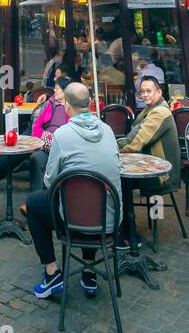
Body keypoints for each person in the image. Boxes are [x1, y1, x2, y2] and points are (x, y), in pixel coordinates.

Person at [27, 82, 122, 302]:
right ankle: (89, 271)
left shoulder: (62, 135)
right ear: (90, 103)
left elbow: (49, 181)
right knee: (90, 200)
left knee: (34, 203)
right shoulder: (108, 132)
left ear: (66, 106)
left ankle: (51, 274)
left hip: (72, 222)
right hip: (109, 221)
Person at [117, 72, 182, 241]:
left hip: (161, 175)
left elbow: (137, 142)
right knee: (120, 181)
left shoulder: (159, 112)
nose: (144, 94)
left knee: (121, 183)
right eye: (142, 92)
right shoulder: (149, 110)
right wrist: (117, 145)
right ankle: (126, 229)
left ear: (159, 92)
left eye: (149, 91)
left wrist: (116, 152)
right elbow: (133, 136)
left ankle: (129, 234)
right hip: (151, 167)